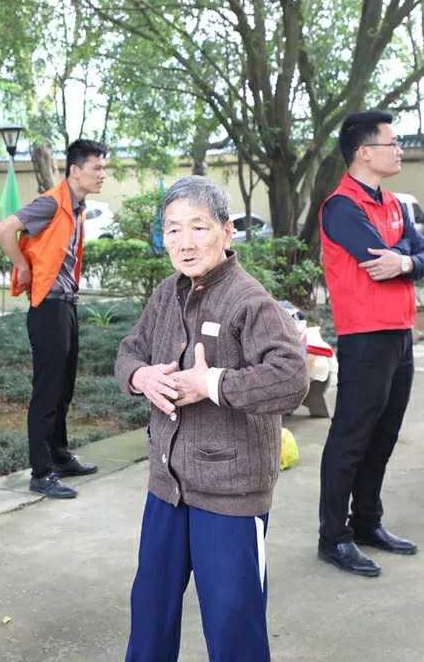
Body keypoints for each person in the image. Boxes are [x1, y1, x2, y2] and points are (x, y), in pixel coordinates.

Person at [115, 176, 309, 662]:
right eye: (172, 229)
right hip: (167, 488)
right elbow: (129, 352)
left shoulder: (249, 300)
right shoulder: (166, 294)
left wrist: (212, 383)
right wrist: (141, 377)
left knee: (233, 628)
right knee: (150, 616)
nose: (184, 242)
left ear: (226, 231)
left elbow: (292, 378)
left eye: (198, 227)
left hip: (230, 496)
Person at [318, 110, 422, 577]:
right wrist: (407, 256)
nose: (399, 150)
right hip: (364, 338)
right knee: (351, 439)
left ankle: (366, 522)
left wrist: (405, 262)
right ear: (364, 152)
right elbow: (372, 258)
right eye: (391, 143)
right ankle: (333, 537)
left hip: (400, 333)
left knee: (383, 435)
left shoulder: (395, 204)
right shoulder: (342, 207)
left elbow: (411, 255)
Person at [0, 139, 107, 499]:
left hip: (66, 305)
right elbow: (4, 229)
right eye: (97, 168)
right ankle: (41, 472)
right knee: (47, 392)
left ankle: (59, 456)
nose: (102, 175)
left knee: (64, 388)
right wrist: (23, 267)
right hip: (48, 308)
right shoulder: (51, 203)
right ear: (75, 171)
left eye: (103, 168)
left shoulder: (76, 208)